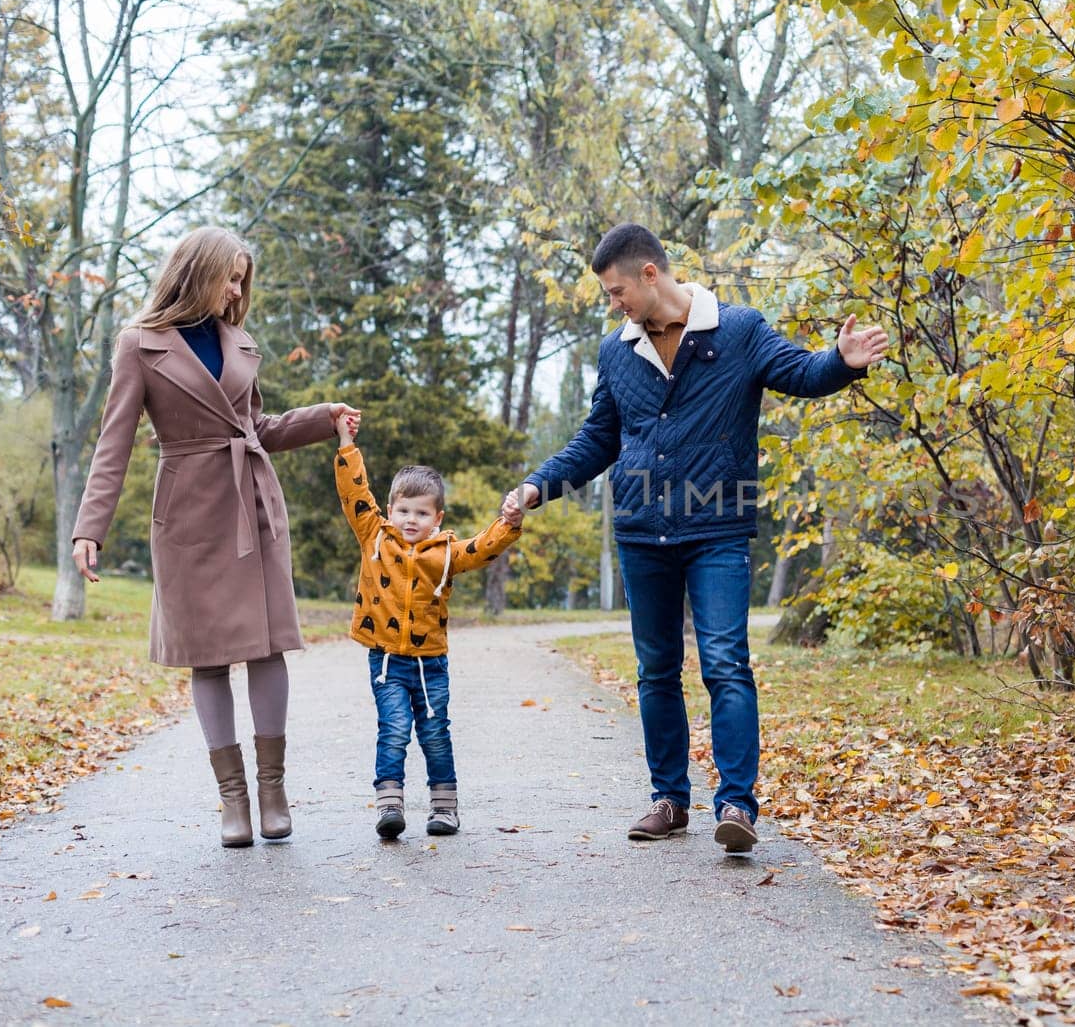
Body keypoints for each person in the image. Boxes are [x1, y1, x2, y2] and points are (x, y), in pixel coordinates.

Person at [503, 224, 889, 854]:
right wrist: (535, 488)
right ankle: (668, 800)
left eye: (617, 290)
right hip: (641, 529)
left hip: (718, 525)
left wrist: (840, 364)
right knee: (656, 669)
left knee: (725, 664)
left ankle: (736, 804)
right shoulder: (617, 352)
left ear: (650, 274)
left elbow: (797, 370)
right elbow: (598, 439)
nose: (614, 303)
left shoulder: (735, 330)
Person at [71, 226, 359, 848]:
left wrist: (321, 418)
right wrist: (89, 528)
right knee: (207, 658)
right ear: (195, 271)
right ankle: (232, 801)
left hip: (252, 504)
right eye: (229, 277)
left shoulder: (240, 343)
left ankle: (273, 790)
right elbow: (113, 443)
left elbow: (257, 426)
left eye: (240, 280)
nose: (236, 291)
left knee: (266, 646)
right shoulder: (138, 345)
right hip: (189, 517)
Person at [332, 414, 521, 839]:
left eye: (421, 513)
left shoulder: (446, 553)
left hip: (430, 664)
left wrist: (509, 523)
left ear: (437, 517)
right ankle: (389, 805)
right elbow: (354, 494)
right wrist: (347, 444)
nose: (410, 520)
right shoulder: (375, 538)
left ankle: (444, 808)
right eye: (402, 510)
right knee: (394, 730)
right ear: (391, 508)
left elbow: (481, 548)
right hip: (386, 660)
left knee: (435, 733)